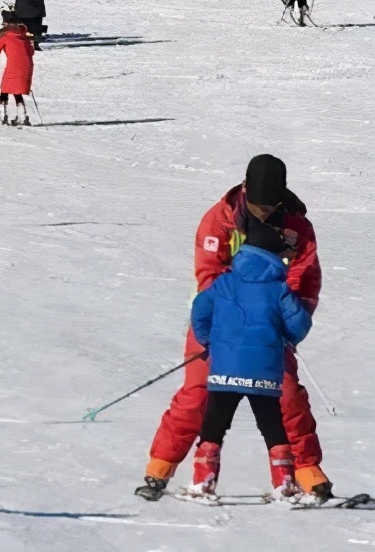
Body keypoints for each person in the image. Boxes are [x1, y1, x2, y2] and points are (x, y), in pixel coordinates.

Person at [138, 155, 330, 503]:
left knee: (286, 395)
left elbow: (306, 279)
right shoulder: (220, 219)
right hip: (216, 320)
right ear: (245, 190)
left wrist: (288, 321)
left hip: (267, 326)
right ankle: (159, 468)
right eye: (257, 206)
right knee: (197, 393)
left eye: (270, 206)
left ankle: (307, 474)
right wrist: (230, 316)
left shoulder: (297, 227)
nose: (262, 213)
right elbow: (208, 276)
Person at [184, 215, 312, 501]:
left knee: (214, 426)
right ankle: (285, 484)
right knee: (272, 427)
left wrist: (209, 342)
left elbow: (199, 311)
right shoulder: (279, 289)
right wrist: (284, 336)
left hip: (224, 370)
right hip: (264, 372)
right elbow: (299, 325)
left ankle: (202, 482)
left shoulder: (224, 283)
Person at [0, 11, 35, 126]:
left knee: (5, 90)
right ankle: (22, 116)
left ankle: (3, 115)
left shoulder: (6, 38)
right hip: (27, 66)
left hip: (14, 66)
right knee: (17, 91)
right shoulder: (24, 37)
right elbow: (31, 52)